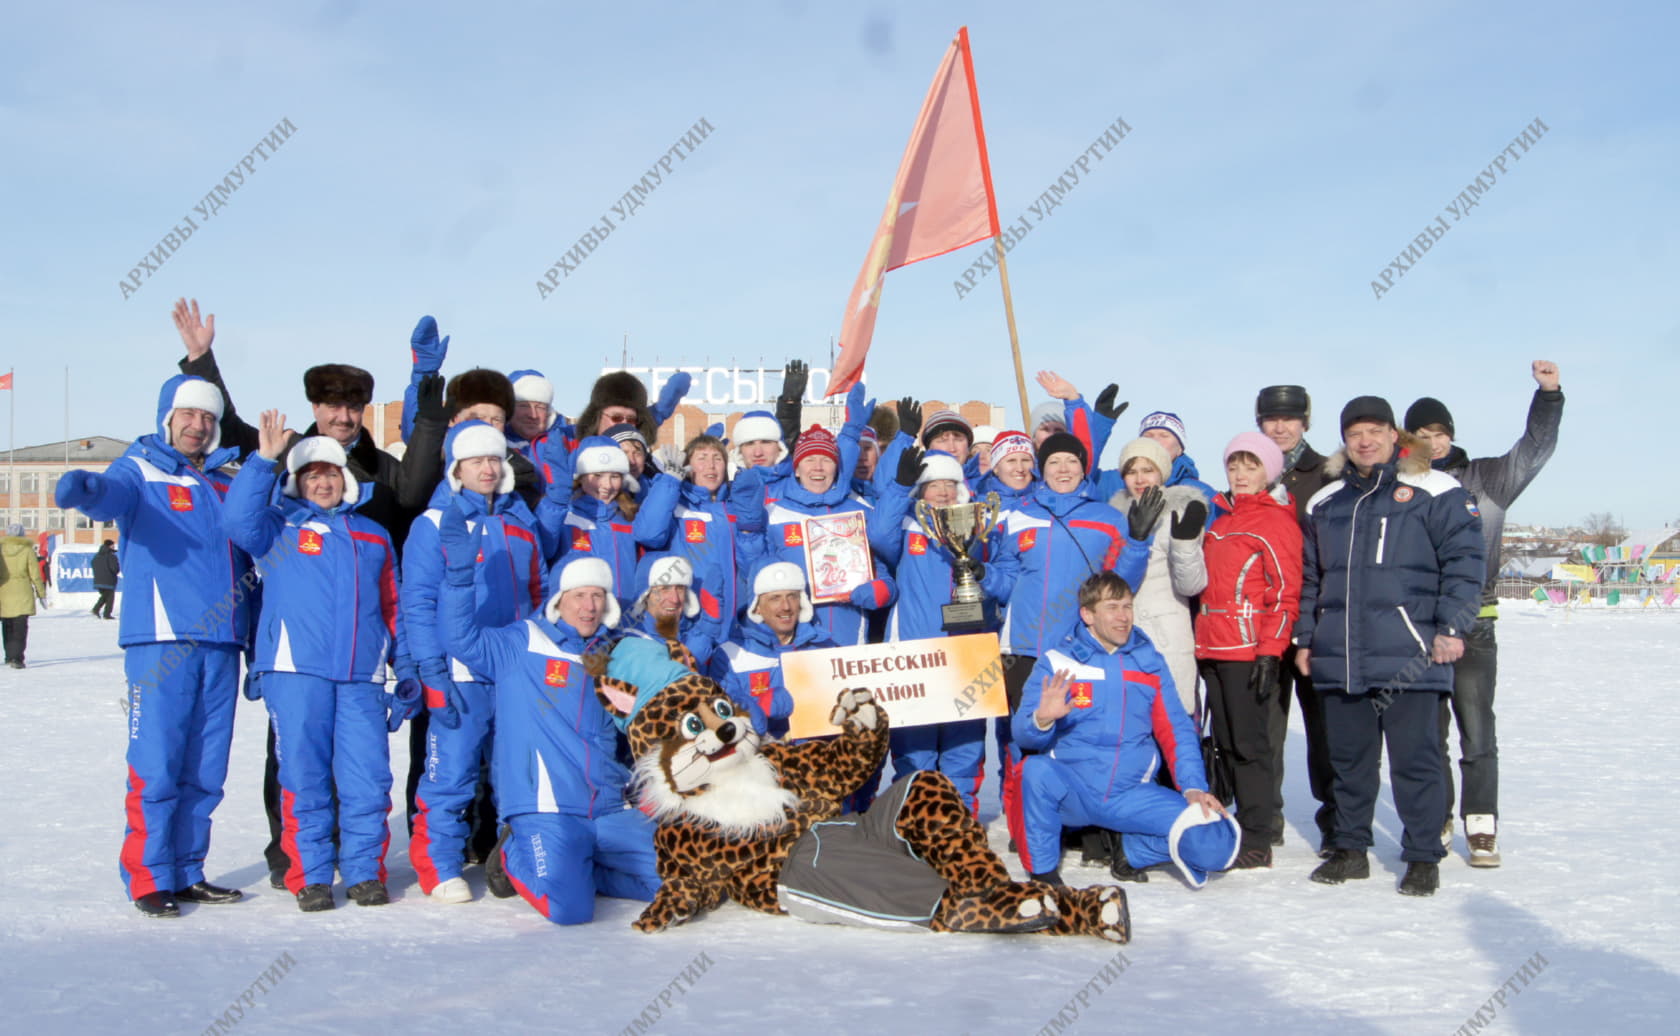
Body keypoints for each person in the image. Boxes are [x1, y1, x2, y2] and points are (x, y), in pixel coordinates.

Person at [55, 374, 252, 917]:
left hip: (221, 641)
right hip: (163, 639)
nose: (198, 425)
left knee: (205, 768)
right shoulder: (138, 469)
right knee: (157, 761)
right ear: (168, 417)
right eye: (188, 414)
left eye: (208, 417)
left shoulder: (225, 481)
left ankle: (187, 870)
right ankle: (147, 876)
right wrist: (84, 489)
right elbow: (108, 496)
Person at [224, 415, 415, 911]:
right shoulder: (279, 527)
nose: (323, 482)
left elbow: (392, 605)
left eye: (330, 473)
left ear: (345, 478)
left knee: (366, 777)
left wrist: (408, 666)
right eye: (312, 475)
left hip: (360, 676)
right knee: (304, 775)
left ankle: (364, 872)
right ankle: (308, 874)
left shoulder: (372, 535)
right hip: (296, 672)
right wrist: (264, 461)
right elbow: (237, 521)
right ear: (298, 481)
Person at [1296, 396, 1484, 897]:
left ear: (1394, 435)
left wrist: (1451, 628)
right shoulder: (1326, 502)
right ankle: (1351, 848)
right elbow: (1312, 579)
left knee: (1415, 760)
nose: (1365, 440)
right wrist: (1305, 639)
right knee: (1349, 761)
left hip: (1412, 653)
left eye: (1375, 431)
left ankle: (1423, 855)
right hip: (1343, 655)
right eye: (1355, 433)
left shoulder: (1436, 490)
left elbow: (1466, 565)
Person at [439, 527, 658, 925]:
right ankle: (511, 852)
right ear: (559, 600)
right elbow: (461, 640)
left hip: (607, 807)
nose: (589, 606)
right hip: (546, 807)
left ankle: (583, 868)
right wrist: (458, 577)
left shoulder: (612, 655)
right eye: (579, 596)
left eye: (597, 596)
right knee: (569, 910)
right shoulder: (522, 642)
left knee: (680, 878)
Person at [1405, 360, 1563, 867]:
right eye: (1424, 434)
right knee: (1429, 732)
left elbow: (1534, 449)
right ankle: (1441, 814)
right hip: (1422, 627)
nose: (1435, 442)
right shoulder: (1401, 489)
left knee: (1476, 727)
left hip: (1475, 623)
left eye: (1441, 432)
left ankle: (1482, 824)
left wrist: (1549, 395)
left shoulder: (1487, 479)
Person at [1014, 572, 1239, 888]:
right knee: (1033, 771)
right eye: (1112, 607)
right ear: (1088, 614)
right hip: (1073, 790)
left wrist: (1192, 786)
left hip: (1131, 794)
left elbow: (1176, 730)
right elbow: (1022, 735)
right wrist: (1042, 719)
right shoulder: (1056, 661)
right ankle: (1045, 876)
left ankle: (1132, 850)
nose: (1123, 617)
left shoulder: (1149, 663)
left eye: (1127, 606)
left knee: (1216, 838)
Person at [989, 431, 1154, 853]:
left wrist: (1136, 542)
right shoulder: (1016, 514)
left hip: (1083, 648)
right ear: (1041, 470)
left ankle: (1083, 825)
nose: (1063, 470)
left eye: (1071, 462)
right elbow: (1006, 581)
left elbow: (1121, 586)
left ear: (1084, 468)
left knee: (1079, 740)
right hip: (1024, 647)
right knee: (1025, 740)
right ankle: (1028, 824)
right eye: (1053, 462)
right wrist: (975, 571)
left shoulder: (1107, 517)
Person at [403, 420, 545, 904]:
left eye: (493, 459)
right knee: (452, 773)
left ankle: (514, 864)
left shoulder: (519, 518)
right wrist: (431, 669)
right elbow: (418, 603)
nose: (487, 468)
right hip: (459, 672)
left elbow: (538, 593)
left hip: (511, 671)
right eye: (476, 460)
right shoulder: (433, 523)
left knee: (513, 774)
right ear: (456, 468)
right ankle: (437, 863)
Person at [171, 298, 447, 544]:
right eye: (333, 407)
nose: (344, 418)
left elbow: (417, 490)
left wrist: (424, 381)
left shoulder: (384, 468)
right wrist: (200, 359)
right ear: (315, 407)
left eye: (353, 408)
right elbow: (228, 427)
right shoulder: (285, 450)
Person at [1194, 433, 1302, 869]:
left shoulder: (1276, 522)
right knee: (1222, 742)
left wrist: (1269, 651)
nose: (1240, 475)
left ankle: (1258, 836)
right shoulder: (1219, 520)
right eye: (1234, 466)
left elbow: (1285, 594)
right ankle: (1232, 823)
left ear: (1269, 472)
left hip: (1246, 649)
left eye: (1250, 466)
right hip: (1211, 646)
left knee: (1249, 744)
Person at [1254, 384, 1336, 852]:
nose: (1280, 427)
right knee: (1265, 725)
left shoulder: (1326, 474)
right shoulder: (1251, 473)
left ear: (1305, 422)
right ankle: (1266, 819)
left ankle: (1334, 819)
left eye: (1290, 419)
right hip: (1264, 622)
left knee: (1324, 728)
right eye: (1271, 419)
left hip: (1313, 621)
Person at [750, 424, 896, 647]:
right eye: (809, 460)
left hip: (851, 637)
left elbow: (883, 573)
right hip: (793, 640)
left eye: (826, 460)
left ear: (836, 468)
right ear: (796, 469)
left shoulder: (861, 513)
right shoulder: (772, 515)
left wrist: (881, 590)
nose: (818, 468)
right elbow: (756, 574)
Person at [1108, 437, 1208, 717]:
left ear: (1162, 472)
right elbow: (1112, 584)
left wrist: (1186, 544)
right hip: (1122, 636)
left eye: (1148, 470)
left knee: (1175, 726)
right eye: (1131, 471)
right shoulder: (1113, 518)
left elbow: (1191, 585)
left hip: (1167, 639)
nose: (1139, 478)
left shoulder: (1181, 513)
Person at [632, 433, 742, 643]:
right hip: (690, 623)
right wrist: (671, 481)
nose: (711, 466)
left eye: (717, 459)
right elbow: (647, 533)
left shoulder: (735, 509)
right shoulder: (676, 506)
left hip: (734, 625)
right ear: (688, 466)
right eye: (701, 458)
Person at [711, 562, 838, 738]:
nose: (785, 606)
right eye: (775, 598)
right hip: (761, 755)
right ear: (757, 607)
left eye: (792, 596)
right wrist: (758, 707)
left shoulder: (825, 647)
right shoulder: (730, 655)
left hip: (814, 753)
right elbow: (722, 713)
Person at [625, 554, 718, 669]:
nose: (674, 599)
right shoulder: (632, 639)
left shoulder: (695, 633)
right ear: (646, 595)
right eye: (664, 589)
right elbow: (662, 679)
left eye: (680, 588)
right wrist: (704, 636)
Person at [2, 523, 47, 667]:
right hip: (23, 592)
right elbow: (35, 575)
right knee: (20, 627)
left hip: (4, 592)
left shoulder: (1, 550)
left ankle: (9, 656)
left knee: (7, 625)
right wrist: (41, 594)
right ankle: (17, 658)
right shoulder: (27, 551)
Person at [91, 539, 120, 619]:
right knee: (110, 597)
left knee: (105, 596)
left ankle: (97, 610)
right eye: (113, 545)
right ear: (109, 546)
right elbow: (115, 568)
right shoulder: (111, 556)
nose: (114, 547)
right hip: (108, 580)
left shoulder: (97, 556)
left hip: (98, 580)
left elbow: (93, 564)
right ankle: (105, 614)